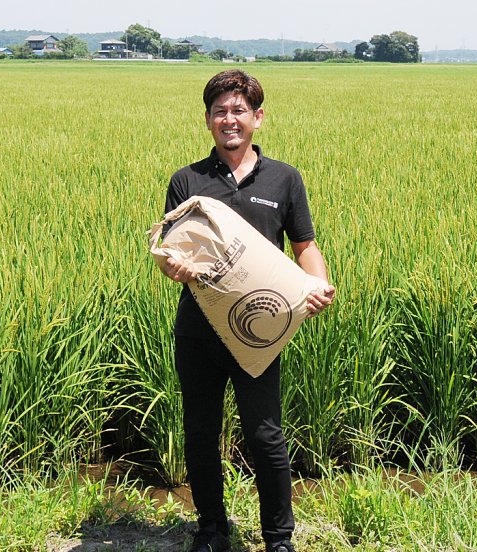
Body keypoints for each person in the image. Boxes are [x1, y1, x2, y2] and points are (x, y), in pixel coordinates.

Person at [160, 69, 335, 552]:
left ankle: (279, 538)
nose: (229, 119)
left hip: (259, 330)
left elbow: (305, 246)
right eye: (220, 111)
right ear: (207, 120)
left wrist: (317, 285)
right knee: (200, 433)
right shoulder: (188, 180)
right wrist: (173, 267)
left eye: (239, 110)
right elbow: (169, 252)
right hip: (198, 331)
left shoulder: (284, 179)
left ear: (258, 117)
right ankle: (211, 531)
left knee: (265, 435)